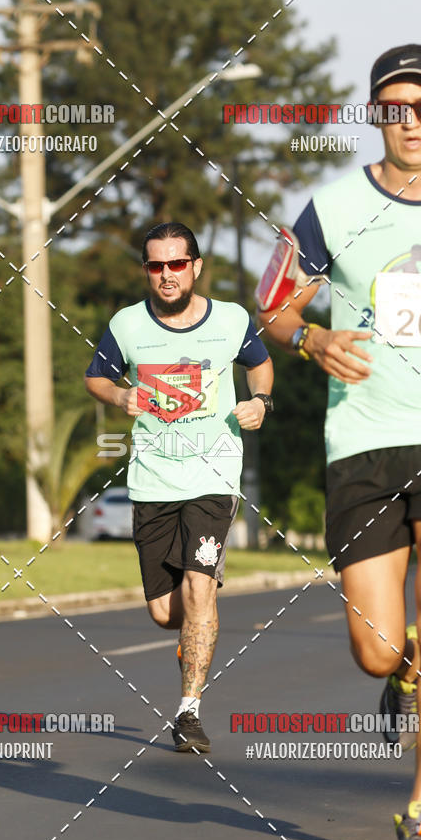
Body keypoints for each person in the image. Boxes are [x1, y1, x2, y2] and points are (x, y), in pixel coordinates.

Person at [258, 45, 421, 840]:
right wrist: (309, 339)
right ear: (375, 115)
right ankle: (404, 668)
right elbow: (272, 307)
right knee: (379, 648)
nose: (409, 121)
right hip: (363, 442)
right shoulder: (330, 209)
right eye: (394, 108)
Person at [85, 221, 274, 753]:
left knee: (198, 589)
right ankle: (195, 617)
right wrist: (119, 397)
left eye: (176, 264)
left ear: (195, 266)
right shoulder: (127, 325)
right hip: (152, 479)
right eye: (155, 265)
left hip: (214, 475)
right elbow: (95, 377)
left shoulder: (232, 320)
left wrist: (261, 402)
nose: (166, 275)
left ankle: (188, 712)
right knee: (167, 613)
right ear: (146, 270)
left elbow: (261, 366)